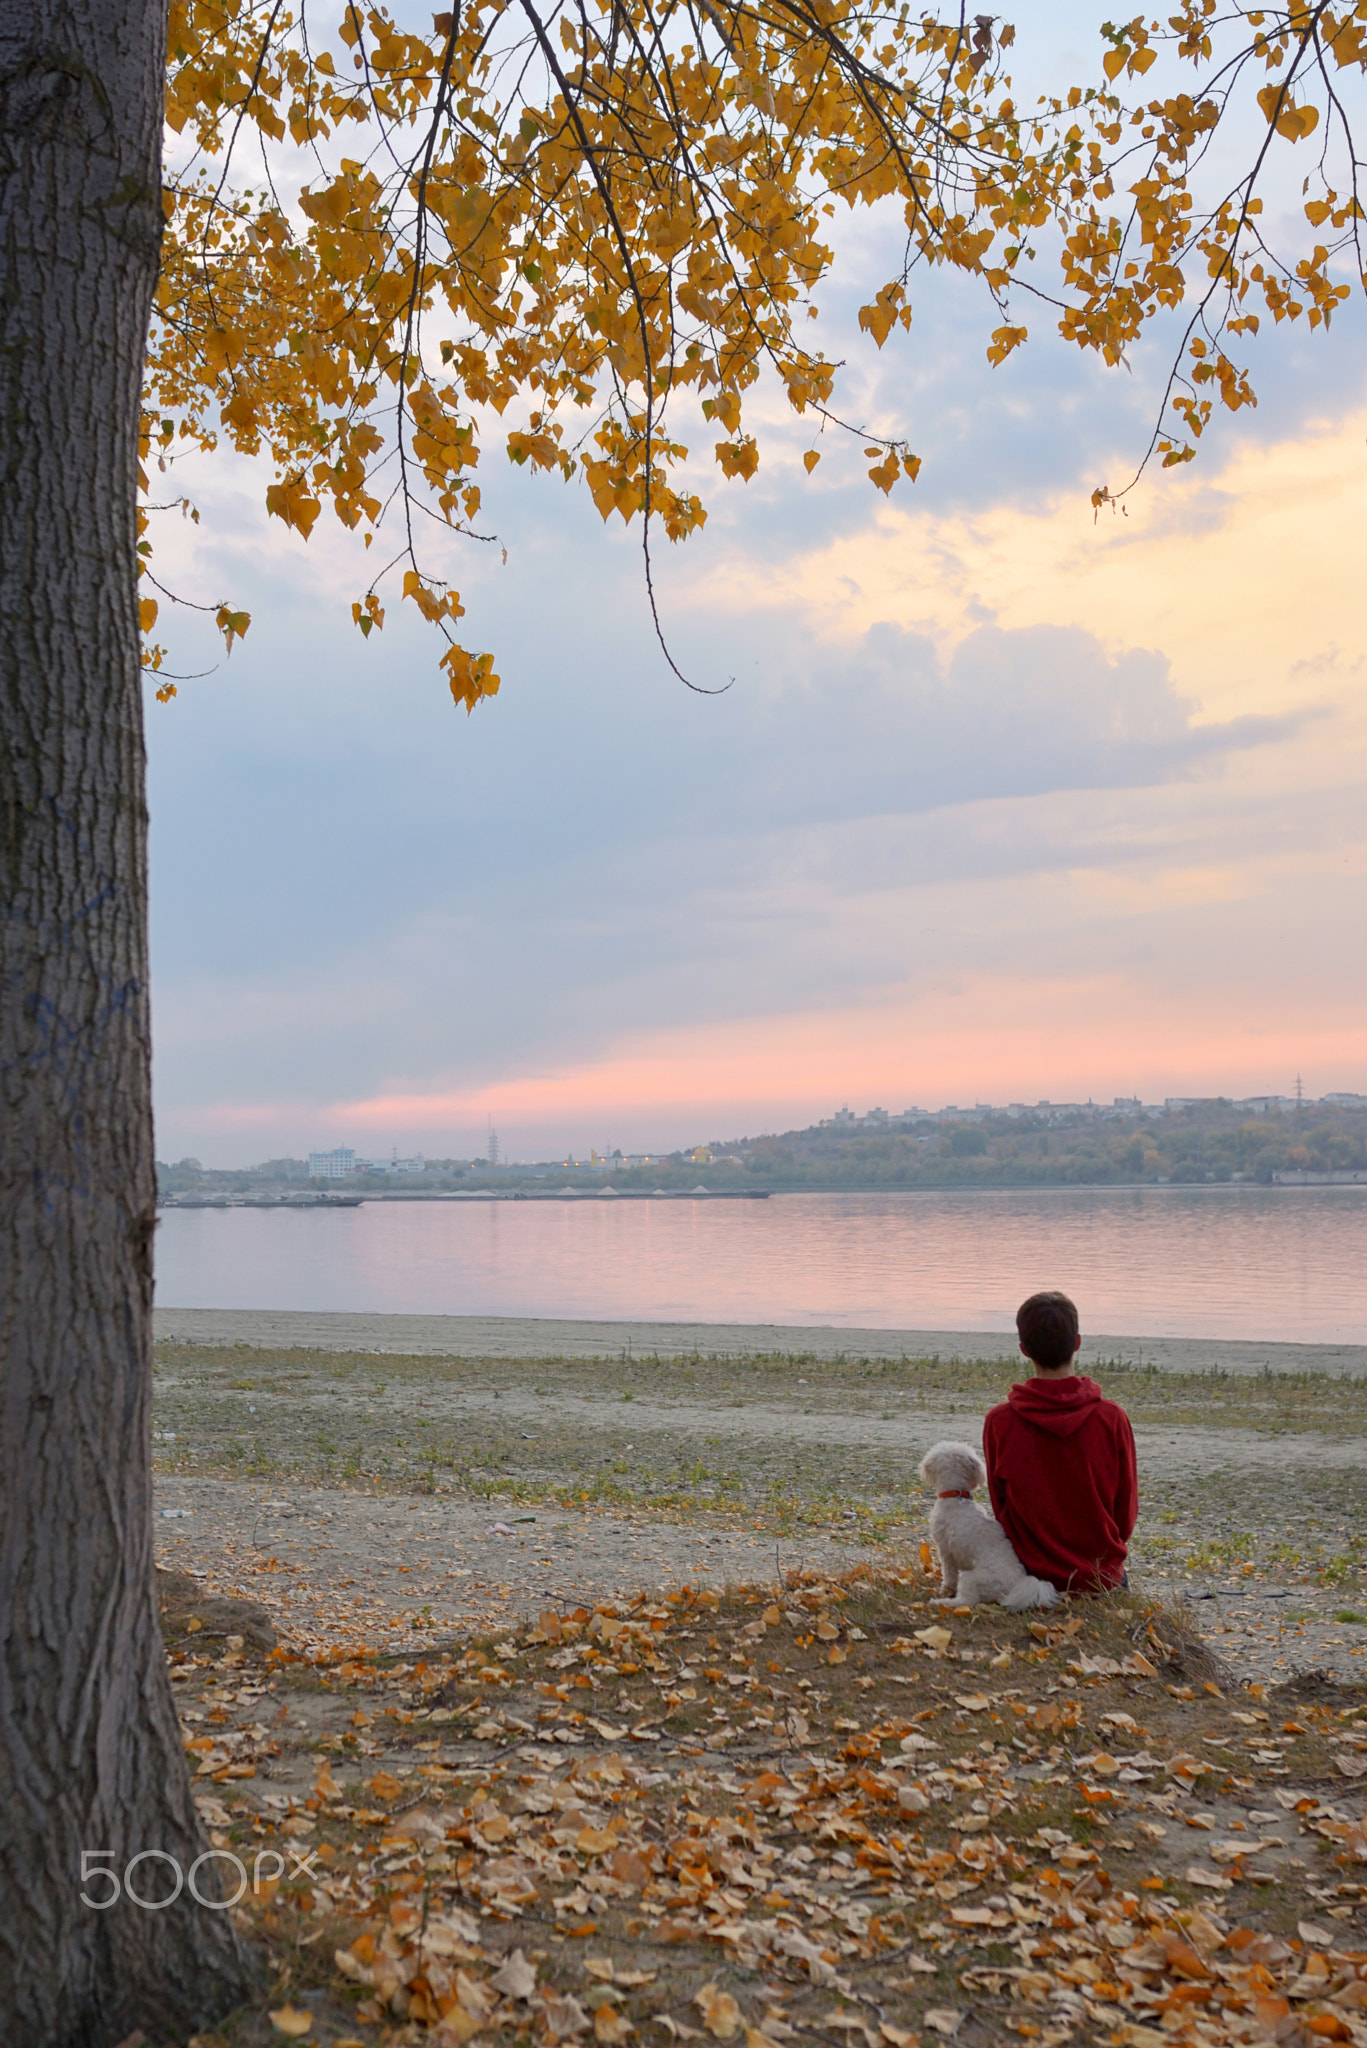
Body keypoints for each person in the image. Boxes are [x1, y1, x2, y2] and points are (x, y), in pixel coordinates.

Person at [982, 1290, 1137, 1596]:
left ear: (1024, 1350)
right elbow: (1125, 1516)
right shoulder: (1112, 1418)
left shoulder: (1000, 1422)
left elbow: (1001, 1509)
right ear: (1077, 1342)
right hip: (1099, 1578)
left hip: (1028, 1577)